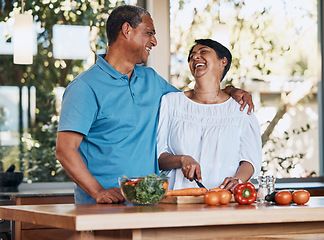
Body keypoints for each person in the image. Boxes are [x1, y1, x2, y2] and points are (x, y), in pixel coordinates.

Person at [55, 5, 254, 204]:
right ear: (127, 30)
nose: (154, 41)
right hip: (103, 206)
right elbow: (65, 150)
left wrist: (230, 91)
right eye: (149, 33)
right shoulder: (85, 87)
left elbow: (195, 100)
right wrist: (98, 191)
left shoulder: (150, 79)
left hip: (147, 203)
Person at [157, 39, 262, 193]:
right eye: (192, 56)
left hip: (223, 201)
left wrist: (237, 180)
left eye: (203, 52)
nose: (195, 57)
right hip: (178, 201)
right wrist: (182, 159)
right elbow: (159, 157)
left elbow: (250, 160)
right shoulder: (171, 102)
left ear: (223, 61)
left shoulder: (240, 108)